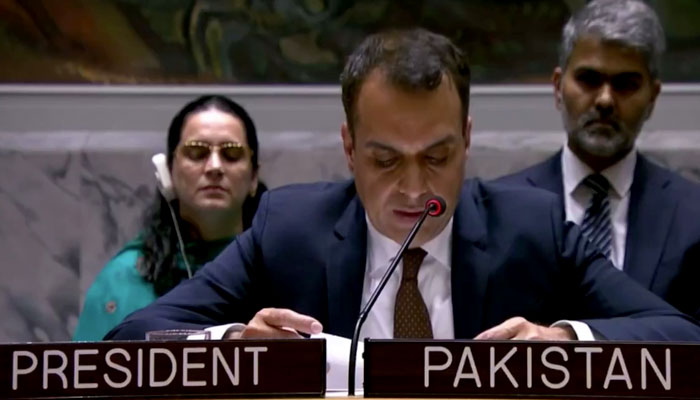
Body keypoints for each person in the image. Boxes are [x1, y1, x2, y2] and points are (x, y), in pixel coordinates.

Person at [105, 28, 700, 343]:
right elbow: (131, 337)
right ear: (349, 148)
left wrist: (564, 338)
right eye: (385, 160)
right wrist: (234, 342)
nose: (415, 188)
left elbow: (681, 334)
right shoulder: (288, 230)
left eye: (438, 156)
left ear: (467, 138)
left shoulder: (532, 229)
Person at [496, 0, 700, 319]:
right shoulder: (500, 209)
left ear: (652, 98)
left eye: (625, 84)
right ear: (558, 88)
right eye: (589, 80)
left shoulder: (692, 216)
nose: (605, 100)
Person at [73, 95, 266, 341]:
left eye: (232, 153)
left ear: (253, 176)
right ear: (168, 172)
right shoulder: (125, 277)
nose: (215, 167)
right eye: (196, 151)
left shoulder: (279, 267)